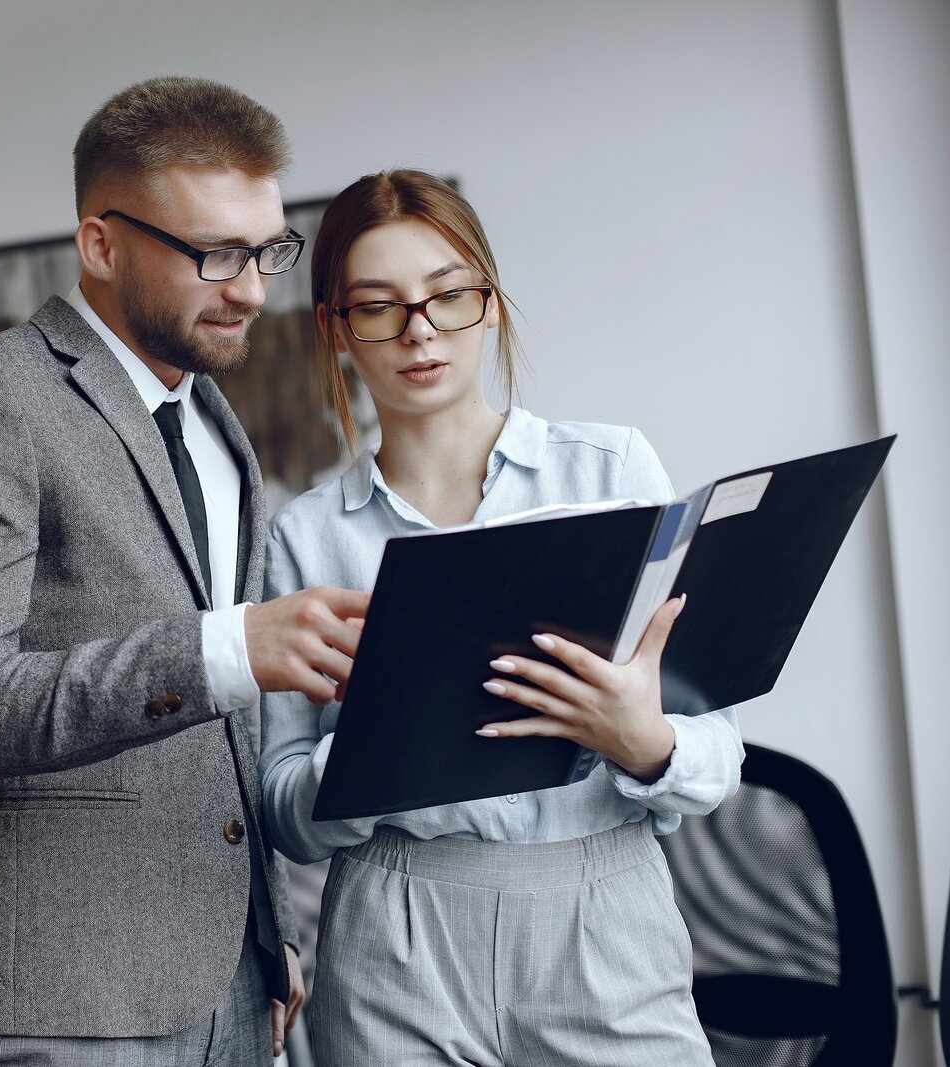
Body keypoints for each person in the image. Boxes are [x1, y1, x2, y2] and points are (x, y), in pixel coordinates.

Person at [0, 76, 369, 1066]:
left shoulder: (217, 428)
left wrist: (269, 944)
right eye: (215, 254)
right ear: (100, 244)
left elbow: (224, 739)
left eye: (268, 250)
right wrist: (227, 647)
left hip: (231, 985)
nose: (250, 289)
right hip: (59, 996)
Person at [259, 169, 744, 1066]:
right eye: (379, 307)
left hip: (604, 913)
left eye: (448, 296)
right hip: (395, 935)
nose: (420, 331)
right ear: (335, 329)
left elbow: (719, 750)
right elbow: (284, 810)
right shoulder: (306, 537)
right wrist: (373, 748)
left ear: (488, 301)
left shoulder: (610, 471)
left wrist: (644, 741)